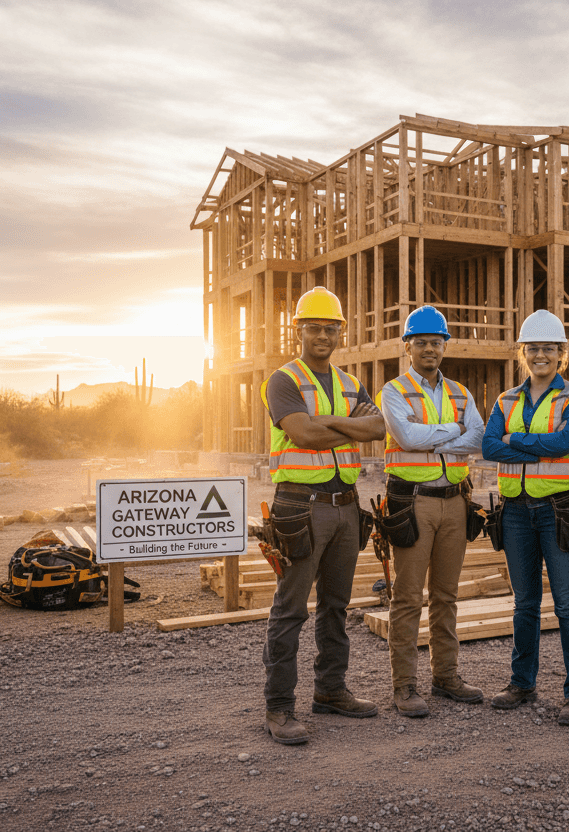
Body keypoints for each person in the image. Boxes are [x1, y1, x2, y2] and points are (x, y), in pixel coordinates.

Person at [259, 286, 387, 746]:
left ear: (340, 332)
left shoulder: (351, 382)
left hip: (346, 506)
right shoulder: (283, 381)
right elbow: (303, 435)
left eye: (330, 329)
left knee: (336, 606)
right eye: (313, 328)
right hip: (300, 506)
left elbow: (378, 427)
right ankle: (278, 707)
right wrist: (344, 428)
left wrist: (327, 426)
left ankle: (331, 690)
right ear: (299, 331)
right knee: (290, 609)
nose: (322, 336)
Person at [482, 310, 569, 726]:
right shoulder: (506, 399)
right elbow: (490, 447)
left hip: (561, 510)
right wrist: (535, 446)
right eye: (534, 349)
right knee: (524, 604)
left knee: (568, 605)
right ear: (523, 353)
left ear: (561, 355)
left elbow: (566, 443)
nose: (541, 355)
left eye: (549, 349)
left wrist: (517, 439)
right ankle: (521, 683)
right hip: (514, 512)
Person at [379, 305, 487, 717]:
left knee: (446, 595)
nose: (429, 349)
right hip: (413, 502)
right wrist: (454, 432)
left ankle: (446, 676)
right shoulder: (393, 391)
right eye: (421, 342)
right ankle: (404, 686)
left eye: (436, 342)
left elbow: (477, 436)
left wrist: (436, 438)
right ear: (407, 347)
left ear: (445, 346)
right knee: (407, 597)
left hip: (455, 503)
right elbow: (405, 437)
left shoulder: (461, 392)